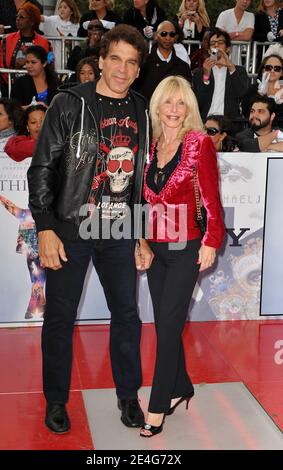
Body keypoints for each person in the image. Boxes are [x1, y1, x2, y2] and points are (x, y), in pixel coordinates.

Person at [27, 24, 150, 434]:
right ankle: (57, 400)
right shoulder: (68, 103)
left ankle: (128, 395)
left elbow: (140, 180)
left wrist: (140, 233)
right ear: (100, 61)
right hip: (70, 229)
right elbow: (42, 168)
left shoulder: (142, 109)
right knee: (60, 316)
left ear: (137, 70)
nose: (122, 68)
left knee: (128, 315)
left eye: (131, 62)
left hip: (118, 231)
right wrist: (45, 227)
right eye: (115, 58)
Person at [137, 75, 224, 437]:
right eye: (167, 103)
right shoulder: (149, 145)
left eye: (181, 103)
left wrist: (211, 242)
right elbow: (141, 201)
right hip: (156, 249)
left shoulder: (199, 144)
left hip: (187, 247)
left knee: (168, 328)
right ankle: (180, 386)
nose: (173, 110)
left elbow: (211, 198)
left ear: (189, 108)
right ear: (157, 107)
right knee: (165, 324)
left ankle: (157, 407)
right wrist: (140, 241)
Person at [0, 177, 46, 319]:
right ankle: (37, 308)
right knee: (37, 280)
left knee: (39, 281)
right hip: (32, 255)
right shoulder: (25, 215)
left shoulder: (46, 216)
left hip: (45, 252)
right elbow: (7, 204)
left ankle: (37, 308)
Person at [193, 28, 249, 121]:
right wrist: (206, 76)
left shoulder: (238, 71)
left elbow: (241, 93)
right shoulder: (200, 72)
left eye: (220, 42)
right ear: (209, 50)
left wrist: (231, 67)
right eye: (212, 43)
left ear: (227, 49)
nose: (216, 45)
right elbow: (199, 102)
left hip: (230, 121)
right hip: (206, 120)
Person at [134, 20, 192, 101]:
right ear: (156, 36)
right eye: (163, 34)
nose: (168, 38)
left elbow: (187, 95)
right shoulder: (144, 64)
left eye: (172, 34)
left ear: (175, 38)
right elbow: (136, 93)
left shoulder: (183, 67)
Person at [242, 54, 283, 127]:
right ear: (263, 70)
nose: (272, 71)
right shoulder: (253, 89)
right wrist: (260, 94)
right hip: (257, 132)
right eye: (269, 68)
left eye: (277, 68)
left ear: (281, 73)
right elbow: (246, 111)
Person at [40, 0, 80, 70]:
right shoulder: (53, 20)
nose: (62, 9)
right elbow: (42, 18)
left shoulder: (76, 25)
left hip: (70, 59)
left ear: (71, 11)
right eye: (60, 7)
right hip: (55, 58)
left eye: (65, 7)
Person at [215, 0, 254, 65]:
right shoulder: (224, 14)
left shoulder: (250, 16)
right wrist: (241, 34)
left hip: (239, 61)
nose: (245, 1)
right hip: (220, 58)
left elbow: (248, 36)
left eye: (248, 0)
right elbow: (219, 37)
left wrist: (233, 35)